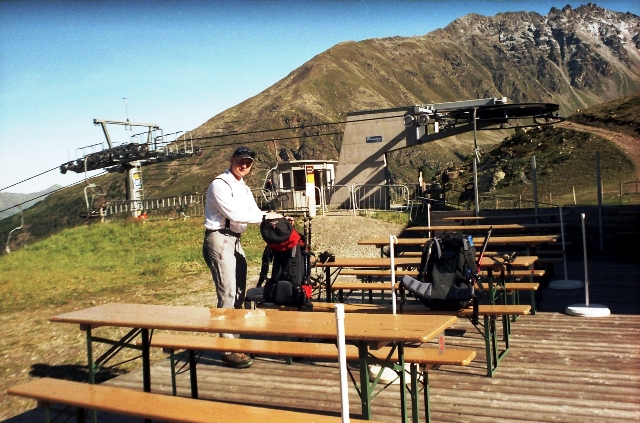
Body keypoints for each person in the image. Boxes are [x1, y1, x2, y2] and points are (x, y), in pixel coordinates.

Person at [203, 146, 283, 368]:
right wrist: (267, 218)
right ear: (231, 160)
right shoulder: (220, 184)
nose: (244, 165)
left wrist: (277, 217)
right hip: (219, 239)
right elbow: (236, 214)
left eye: (248, 162)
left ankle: (237, 341)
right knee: (228, 293)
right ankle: (227, 349)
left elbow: (256, 212)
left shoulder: (244, 188)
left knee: (239, 292)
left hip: (235, 240)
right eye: (241, 161)